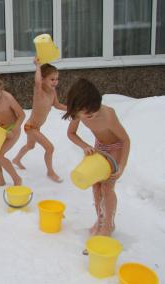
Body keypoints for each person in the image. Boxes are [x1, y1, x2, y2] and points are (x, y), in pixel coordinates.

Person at [63, 78, 130, 236]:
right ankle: (100, 219)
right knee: (95, 185)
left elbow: (125, 140)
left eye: (94, 111)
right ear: (76, 110)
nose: (92, 115)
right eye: (87, 115)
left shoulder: (107, 115)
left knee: (107, 186)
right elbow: (71, 134)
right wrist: (85, 146)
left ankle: (108, 225)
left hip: (115, 148)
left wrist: (121, 166)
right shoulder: (78, 114)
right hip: (99, 147)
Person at [12, 58, 67, 182]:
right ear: (43, 79)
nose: (55, 82)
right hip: (30, 127)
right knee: (50, 148)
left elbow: (57, 105)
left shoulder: (52, 92)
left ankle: (16, 159)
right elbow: (37, 82)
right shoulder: (39, 91)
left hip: (36, 127)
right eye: (52, 79)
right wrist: (38, 66)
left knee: (30, 146)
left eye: (57, 79)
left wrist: (71, 109)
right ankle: (50, 172)